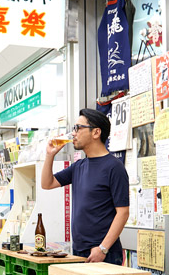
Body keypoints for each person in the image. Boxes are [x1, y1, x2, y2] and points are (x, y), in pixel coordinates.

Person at [41, 108, 129, 264]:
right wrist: (50, 155)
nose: (73, 133)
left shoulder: (114, 167)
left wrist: (103, 248)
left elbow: (123, 213)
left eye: (78, 128)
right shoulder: (79, 166)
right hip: (79, 250)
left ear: (96, 133)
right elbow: (47, 184)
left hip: (103, 253)